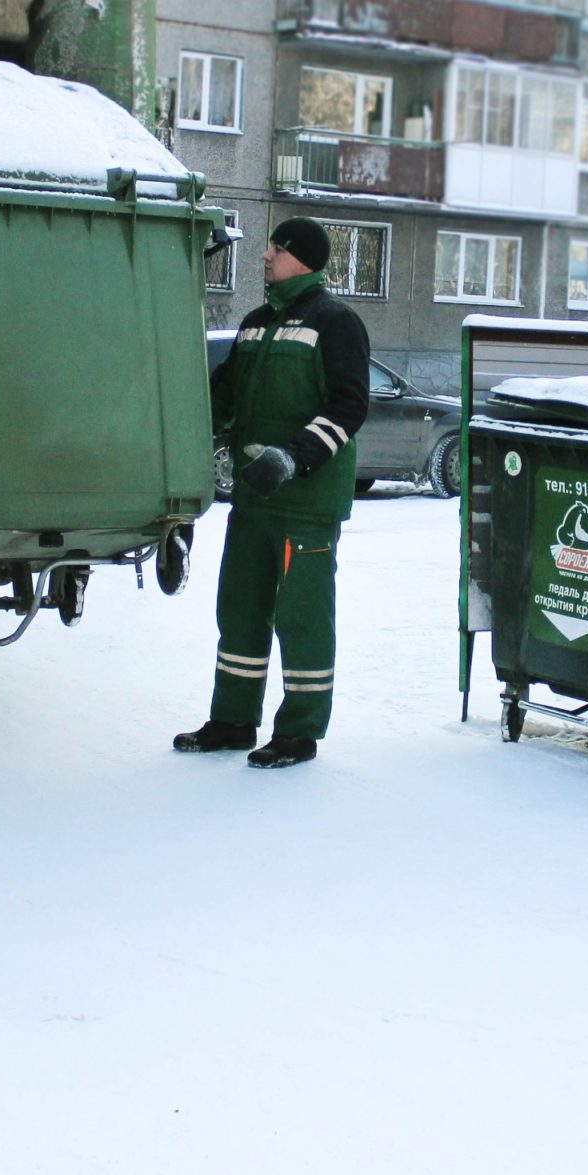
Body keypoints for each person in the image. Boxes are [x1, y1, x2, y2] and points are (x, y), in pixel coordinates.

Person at [174, 216, 369, 767]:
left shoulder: (336, 323)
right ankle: (233, 720)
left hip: (305, 503)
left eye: (276, 249)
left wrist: (294, 456)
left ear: (302, 260)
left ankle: (299, 732)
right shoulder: (258, 323)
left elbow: (350, 406)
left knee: (302, 616)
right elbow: (225, 396)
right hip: (255, 500)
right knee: (240, 608)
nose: (264, 256)